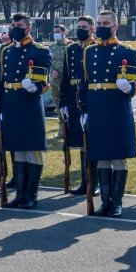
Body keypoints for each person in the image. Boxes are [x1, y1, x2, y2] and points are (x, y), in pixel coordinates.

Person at [77, 11, 136, 217]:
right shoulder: (90, 52)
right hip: (96, 108)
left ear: (115, 26)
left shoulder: (127, 51)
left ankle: (117, 202)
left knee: (118, 157)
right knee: (102, 157)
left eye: (106, 23)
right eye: (100, 23)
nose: (103, 26)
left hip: (116, 108)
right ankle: (105, 202)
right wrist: (84, 109)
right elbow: (85, 84)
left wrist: (129, 88)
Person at [0, 13, 52, 209]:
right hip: (11, 104)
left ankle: (31, 195)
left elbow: (45, 82)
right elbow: (2, 81)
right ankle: (20, 194)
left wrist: (35, 88)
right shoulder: (7, 51)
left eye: (18, 25)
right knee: (18, 149)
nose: (14, 28)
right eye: (12, 24)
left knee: (32, 149)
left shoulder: (40, 51)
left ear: (28, 28)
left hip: (29, 104)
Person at [59, 16, 97, 195]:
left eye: (84, 27)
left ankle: (93, 181)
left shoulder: (95, 48)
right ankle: (84, 180)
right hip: (73, 98)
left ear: (92, 29)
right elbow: (65, 78)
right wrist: (63, 102)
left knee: (91, 140)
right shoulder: (71, 49)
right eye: (79, 26)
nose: (80, 29)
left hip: (89, 97)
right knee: (80, 141)